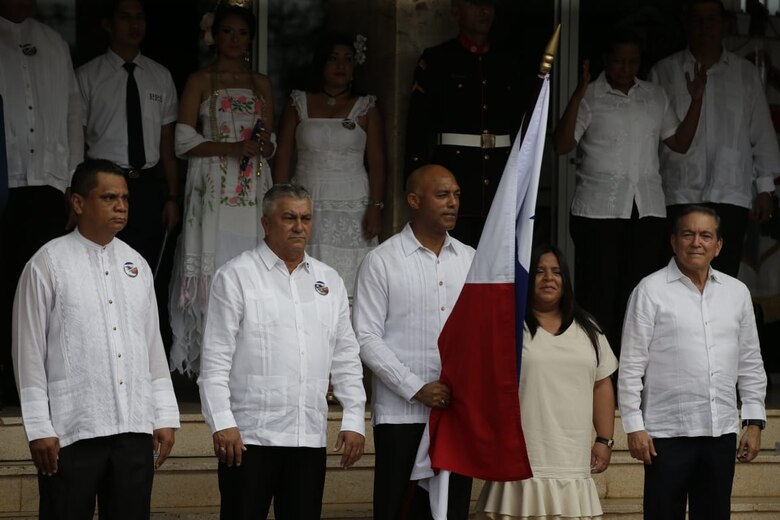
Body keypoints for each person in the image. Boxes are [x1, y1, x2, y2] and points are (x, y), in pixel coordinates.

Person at [12, 158, 180, 519]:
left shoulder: (137, 265)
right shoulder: (48, 263)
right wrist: (39, 426)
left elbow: (152, 346)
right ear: (78, 202)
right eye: (108, 198)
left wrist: (164, 413)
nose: (121, 206)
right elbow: (28, 353)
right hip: (73, 428)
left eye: (125, 198)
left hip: (134, 426)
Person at [198, 183, 366, 519]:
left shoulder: (328, 280)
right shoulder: (236, 276)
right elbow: (215, 360)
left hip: (308, 436)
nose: (299, 226)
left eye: (306, 218)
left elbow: (346, 355)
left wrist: (353, 417)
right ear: (266, 223)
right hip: (248, 438)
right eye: (289, 217)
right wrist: (222, 422)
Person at [552, 30, 706, 355]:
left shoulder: (655, 95)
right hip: (597, 212)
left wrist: (697, 101)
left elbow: (679, 143)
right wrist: (578, 95)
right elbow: (562, 145)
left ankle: (631, 372)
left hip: (647, 210)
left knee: (639, 295)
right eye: (619, 61)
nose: (626, 68)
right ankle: (597, 371)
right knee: (598, 296)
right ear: (606, 60)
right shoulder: (591, 95)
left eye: (633, 61)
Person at [618, 205, 767, 520]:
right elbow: (631, 365)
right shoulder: (650, 290)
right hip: (665, 435)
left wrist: (754, 422)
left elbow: (751, 362)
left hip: (720, 433)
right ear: (673, 241)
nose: (696, 242)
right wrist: (634, 425)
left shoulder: (737, 293)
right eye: (688, 234)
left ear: (719, 245)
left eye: (705, 235)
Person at [352, 164, 475, 519]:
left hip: (456, 412)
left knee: (451, 511)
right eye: (442, 195)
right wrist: (416, 387)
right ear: (413, 201)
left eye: (456, 195)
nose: (452, 203)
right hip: (401, 414)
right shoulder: (382, 261)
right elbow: (365, 336)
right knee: (399, 509)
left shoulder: (471, 259)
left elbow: (480, 335)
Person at [169, 2, 275, 375]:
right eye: (228, 31)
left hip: (251, 186)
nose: (235, 39)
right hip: (211, 183)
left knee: (250, 261)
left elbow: (272, 141)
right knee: (213, 265)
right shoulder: (199, 80)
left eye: (242, 33)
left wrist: (263, 146)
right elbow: (182, 141)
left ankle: (247, 360)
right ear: (215, 35)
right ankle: (208, 366)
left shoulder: (261, 82)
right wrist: (230, 148)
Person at [477, 244, 618, 520]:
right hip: (521, 455)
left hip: (572, 456)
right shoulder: (510, 327)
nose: (548, 278)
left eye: (556, 272)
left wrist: (604, 440)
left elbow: (601, 384)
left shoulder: (589, 328)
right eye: (540, 271)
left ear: (566, 280)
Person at [649, 0, 780, 277]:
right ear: (687, 24)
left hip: (730, 192)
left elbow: (762, 133)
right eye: (697, 19)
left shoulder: (744, 74)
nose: (704, 27)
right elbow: (650, 137)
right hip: (678, 192)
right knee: (676, 281)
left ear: (724, 25)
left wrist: (766, 188)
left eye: (711, 20)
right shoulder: (664, 72)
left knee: (723, 281)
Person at [0, 0, 83, 407]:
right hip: (5, 176)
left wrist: (74, 184)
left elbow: (72, 114)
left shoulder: (54, 42)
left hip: (49, 184)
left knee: (40, 289)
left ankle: (38, 384)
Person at [404, 0, 524, 248]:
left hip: (500, 178)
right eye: (475, 4)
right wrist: (415, 179)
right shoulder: (437, 59)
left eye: (488, 5)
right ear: (456, 11)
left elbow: (519, 125)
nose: (484, 10)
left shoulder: (508, 61)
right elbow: (418, 125)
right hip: (455, 175)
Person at [274, 32, 386, 297]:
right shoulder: (297, 102)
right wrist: (278, 205)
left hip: (353, 204)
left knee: (350, 281)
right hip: (305, 199)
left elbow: (378, 162)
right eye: (334, 59)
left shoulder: (366, 106)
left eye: (348, 59)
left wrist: (376, 207)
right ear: (321, 63)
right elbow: (283, 157)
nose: (340, 65)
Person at [76, 0, 180, 270]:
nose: (134, 25)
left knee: (145, 268)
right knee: (100, 264)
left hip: (147, 188)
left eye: (139, 17)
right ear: (108, 24)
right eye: (125, 17)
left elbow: (166, 142)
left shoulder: (160, 76)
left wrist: (172, 197)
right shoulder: (87, 76)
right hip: (103, 185)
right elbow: (77, 139)